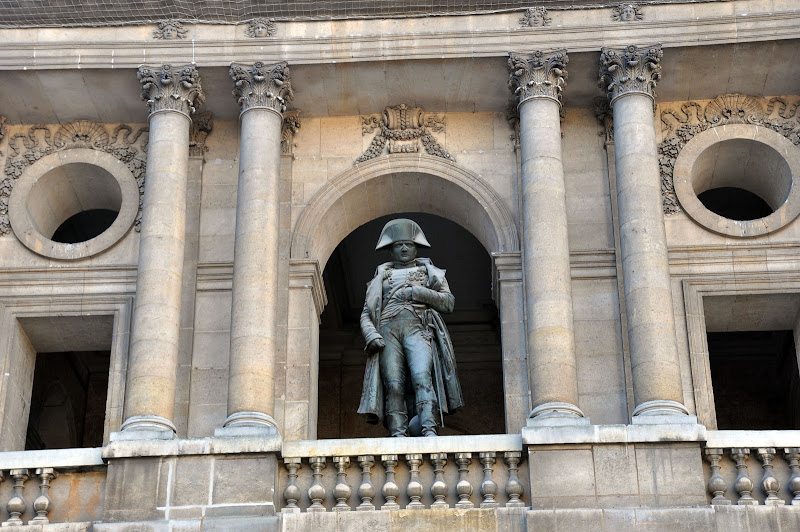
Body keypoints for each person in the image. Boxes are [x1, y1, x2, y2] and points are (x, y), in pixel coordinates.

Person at [357, 218, 464, 437]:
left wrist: (415, 292)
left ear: (416, 248)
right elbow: (367, 312)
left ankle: (429, 428)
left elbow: (448, 302)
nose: (404, 248)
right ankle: (397, 433)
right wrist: (370, 334)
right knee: (393, 385)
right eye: (399, 245)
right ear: (391, 250)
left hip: (418, 328)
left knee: (422, 376)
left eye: (409, 244)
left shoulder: (430, 273)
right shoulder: (380, 278)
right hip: (387, 331)